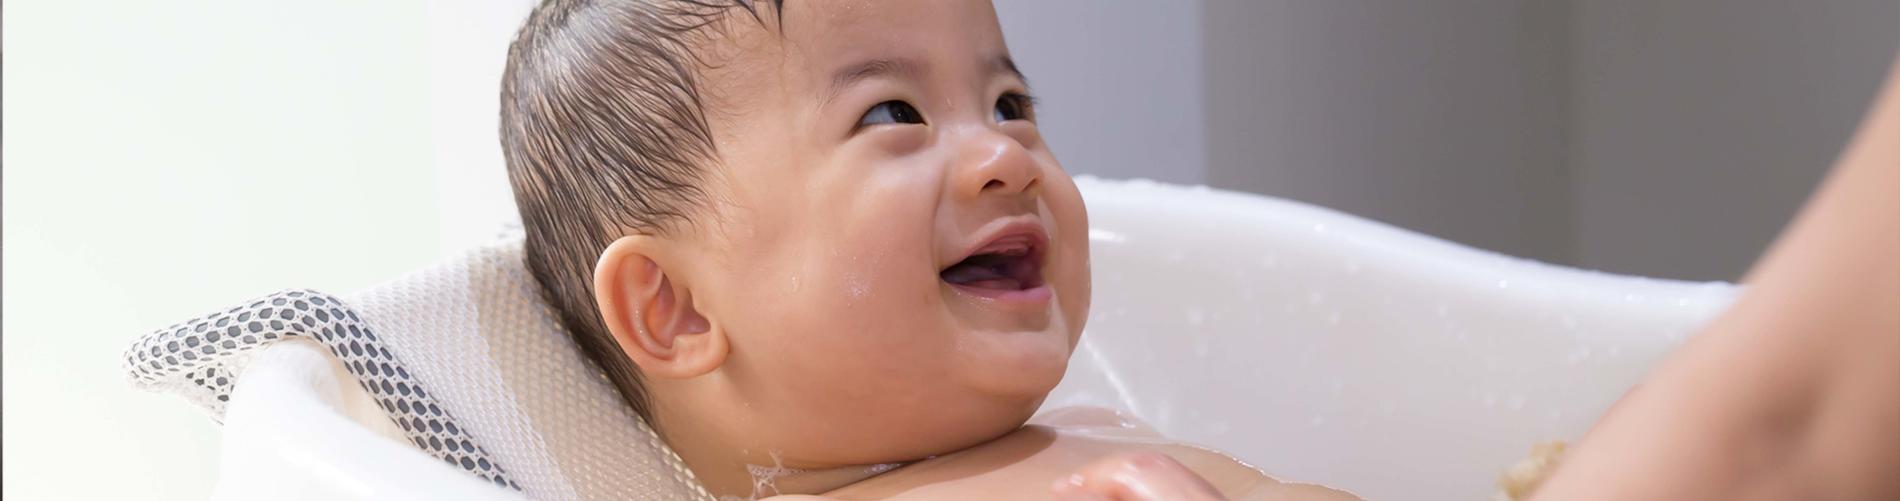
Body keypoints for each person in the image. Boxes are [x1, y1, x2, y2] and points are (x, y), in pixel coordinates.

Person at [500, 0, 1352, 499]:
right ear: (676, 309)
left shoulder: (1073, 430)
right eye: (891, 115)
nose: (1005, 155)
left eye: (1010, 102)